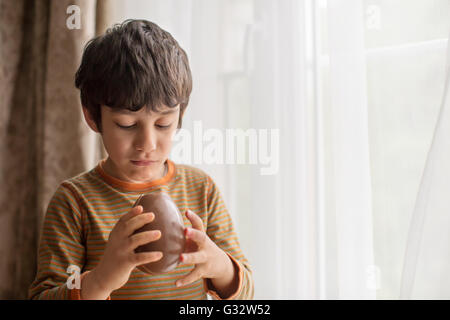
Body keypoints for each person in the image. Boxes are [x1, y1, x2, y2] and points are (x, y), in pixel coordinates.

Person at [28, 19, 254, 300]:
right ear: (92, 116)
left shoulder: (201, 190)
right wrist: (100, 280)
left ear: (180, 117)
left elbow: (246, 296)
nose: (147, 144)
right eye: (126, 124)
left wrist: (220, 267)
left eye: (163, 124)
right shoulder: (74, 203)